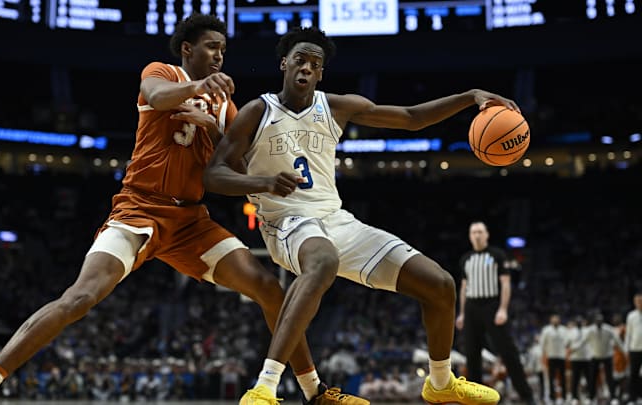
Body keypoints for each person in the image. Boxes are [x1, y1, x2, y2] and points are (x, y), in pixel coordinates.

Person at [0, 15, 360, 405]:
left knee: (270, 290)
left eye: (223, 50)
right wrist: (198, 90)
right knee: (80, 297)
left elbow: (240, 164)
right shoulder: (162, 73)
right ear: (186, 49)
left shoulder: (225, 108)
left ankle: (314, 391)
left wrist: (223, 130)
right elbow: (157, 96)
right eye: (212, 47)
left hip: (190, 222)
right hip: (138, 209)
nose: (219, 56)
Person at [204, 25, 516, 405]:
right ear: (284, 63)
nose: (306, 68)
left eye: (315, 64)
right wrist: (266, 182)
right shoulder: (258, 111)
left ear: (321, 74)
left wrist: (470, 97)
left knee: (441, 285)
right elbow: (214, 174)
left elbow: (410, 117)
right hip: (285, 223)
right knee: (322, 261)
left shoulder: (335, 106)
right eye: (300, 59)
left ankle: (440, 382)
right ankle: (264, 388)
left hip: (337, 221)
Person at [455, 221, 536, 405]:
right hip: (471, 307)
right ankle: (477, 399)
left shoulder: (497, 255)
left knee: (508, 351)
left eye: (480, 232)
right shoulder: (465, 259)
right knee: (472, 355)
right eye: (473, 232)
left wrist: (503, 309)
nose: (476, 235)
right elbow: (464, 288)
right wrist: (461, 313)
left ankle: (526, 395)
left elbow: (506, 283)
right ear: (469, 236)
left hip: (492, 305)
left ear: (486, 235)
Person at [571, 312, 625, 403]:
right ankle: (591, 397)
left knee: (609, 377)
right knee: (592, 378)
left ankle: (613, 397)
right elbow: (583, 341)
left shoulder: (608, 329)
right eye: (597, 321)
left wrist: (624, 352)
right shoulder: (590, 330)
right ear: (594, 322)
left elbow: (617, 341)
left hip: (607, 355)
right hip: (595, 356)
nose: (599, 323)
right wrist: (574, 348)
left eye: (600, 321)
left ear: (603, 321)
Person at [539, 313, 568, 404]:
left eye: (557, 319)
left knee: (562, 378)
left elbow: (567, 342)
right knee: (551, 378)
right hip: (551, 356)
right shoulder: (546, 330)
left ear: (559, 320)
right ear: (551, 320)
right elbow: (542, 343)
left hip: (561, 356)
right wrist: (543, 355)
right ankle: (552, 397)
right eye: (554, 319)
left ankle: (564, 396)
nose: (555, 321)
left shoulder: (564, 330)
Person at [567, 315, 591, 404]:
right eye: (578, 321)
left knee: (589, 378)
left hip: (586, 357)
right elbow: (567, 344)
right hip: (575, 358)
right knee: (575, 379)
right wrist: (574, 347)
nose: (579, 323)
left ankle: (589, 396)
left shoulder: (587, 331)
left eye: (580, 321)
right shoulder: (571, 332)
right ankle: (574, 397)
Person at [625, 293, 642, 405]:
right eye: (637, 301)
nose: (640, 303)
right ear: (634, 303)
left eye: (641, 301)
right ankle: (632, 398)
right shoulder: (631, 316)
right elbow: (628, 334)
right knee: (633, 374)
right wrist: (627, 348)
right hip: (634, 349)